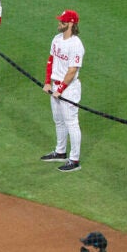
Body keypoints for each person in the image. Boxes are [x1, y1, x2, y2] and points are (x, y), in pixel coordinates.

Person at [41, 10, 85, 172]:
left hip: (69, 89)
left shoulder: (76, 45)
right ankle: (60, 151)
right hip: (55, 86)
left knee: (71, 123)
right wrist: (47, 82)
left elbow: (72, 70)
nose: (59, 23)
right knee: (58, 120)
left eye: (62, 21)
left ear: (71, 24)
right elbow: (50, 60)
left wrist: (60, 89)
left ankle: (74, 160)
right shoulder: (57, 39)